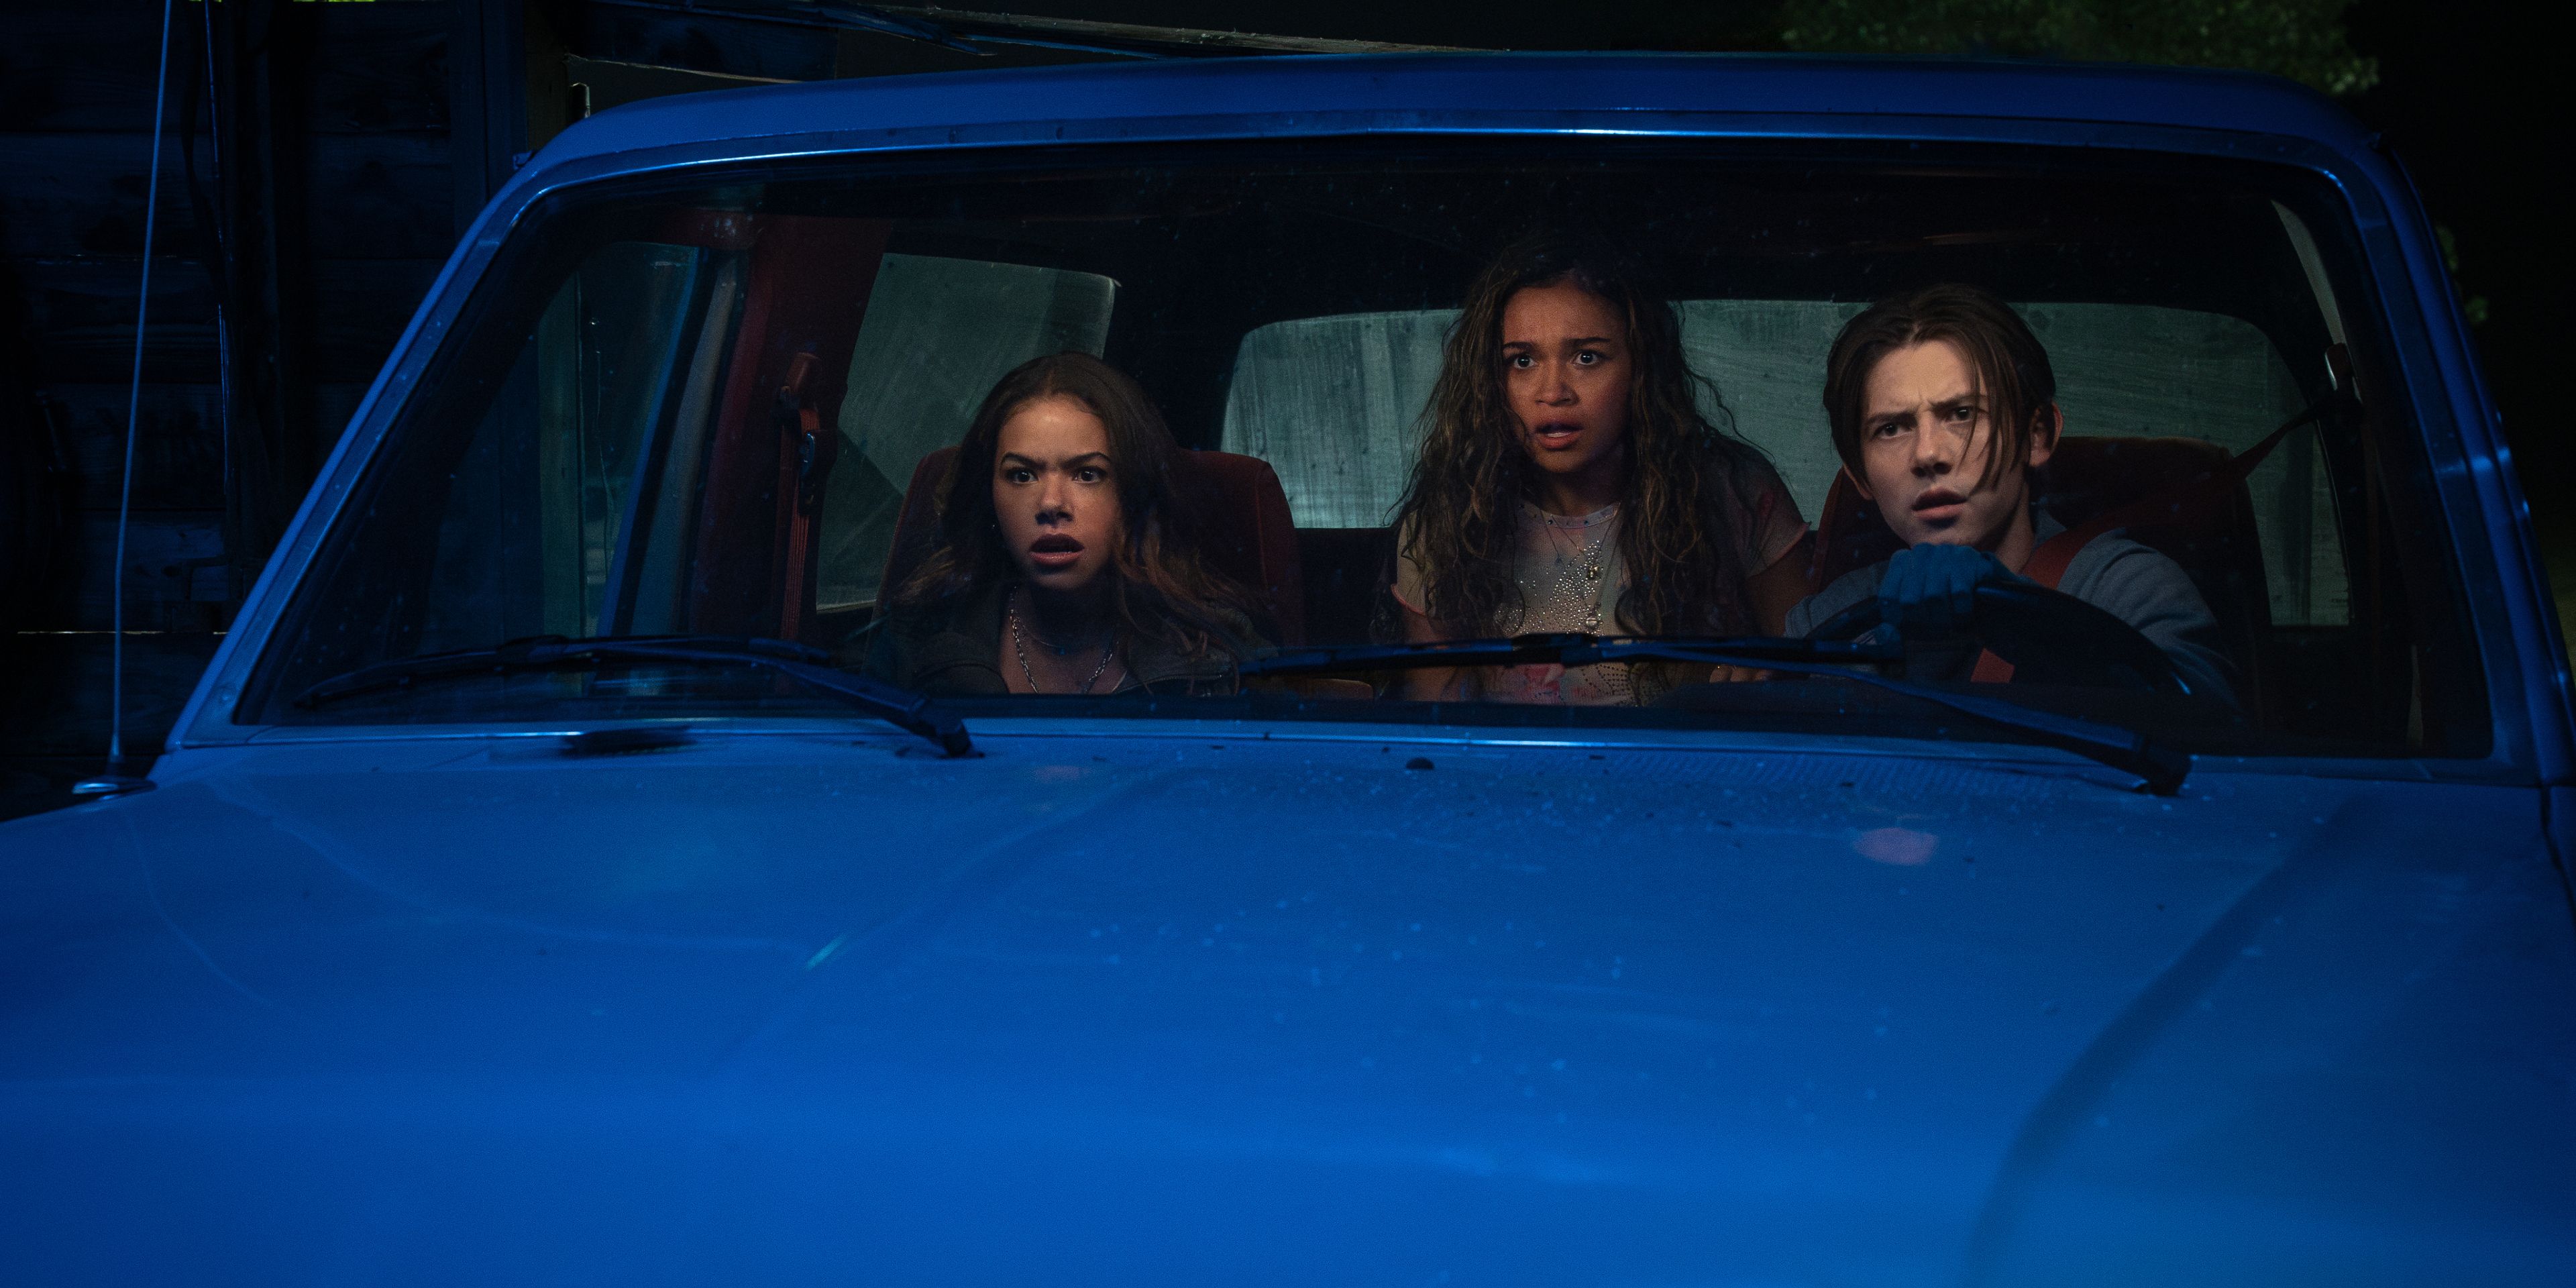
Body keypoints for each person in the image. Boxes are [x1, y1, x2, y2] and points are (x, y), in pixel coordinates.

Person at [1387, 235, 1811, 704]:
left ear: (1641, 369)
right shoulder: (1446, 521)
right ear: (1492, 380)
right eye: (1522, 361)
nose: (1553, 391)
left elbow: (1810, 678)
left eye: (1587, 357)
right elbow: (1438, 720)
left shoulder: (1733, 491)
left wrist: (1759, 677)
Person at [1782, 284, 2238, 704]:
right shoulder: (1826, 619)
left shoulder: (2129, 588)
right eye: (1892, 428)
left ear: (2035, 436)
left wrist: (2025, 618)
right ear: (1859, 475)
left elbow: (2211, 738)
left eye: (1962, 413)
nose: (1927, 454)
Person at [860, 352, 1263, 695]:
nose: (1051, 504)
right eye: (1022, 475)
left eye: (1088, 474)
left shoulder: (1217, 657)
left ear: (1134, 491)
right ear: (989, 496)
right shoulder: (918, 641)